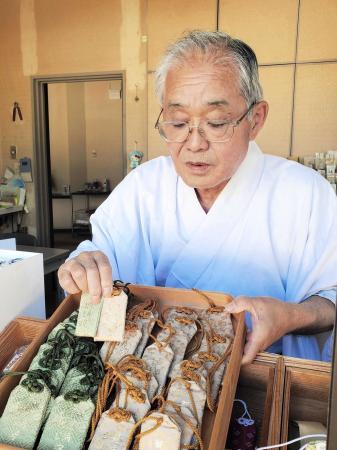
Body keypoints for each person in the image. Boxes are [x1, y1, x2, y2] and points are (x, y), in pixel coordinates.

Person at [58, 31, 337, 364]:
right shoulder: (143, 187)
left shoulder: (305, 193)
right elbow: (101, 260)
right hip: (144, 372)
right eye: (177, 122)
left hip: (259, 372)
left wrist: (291, 316)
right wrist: (83, 267)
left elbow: (330, 299)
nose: (193, 143)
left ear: (255, 119)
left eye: (216, 123)